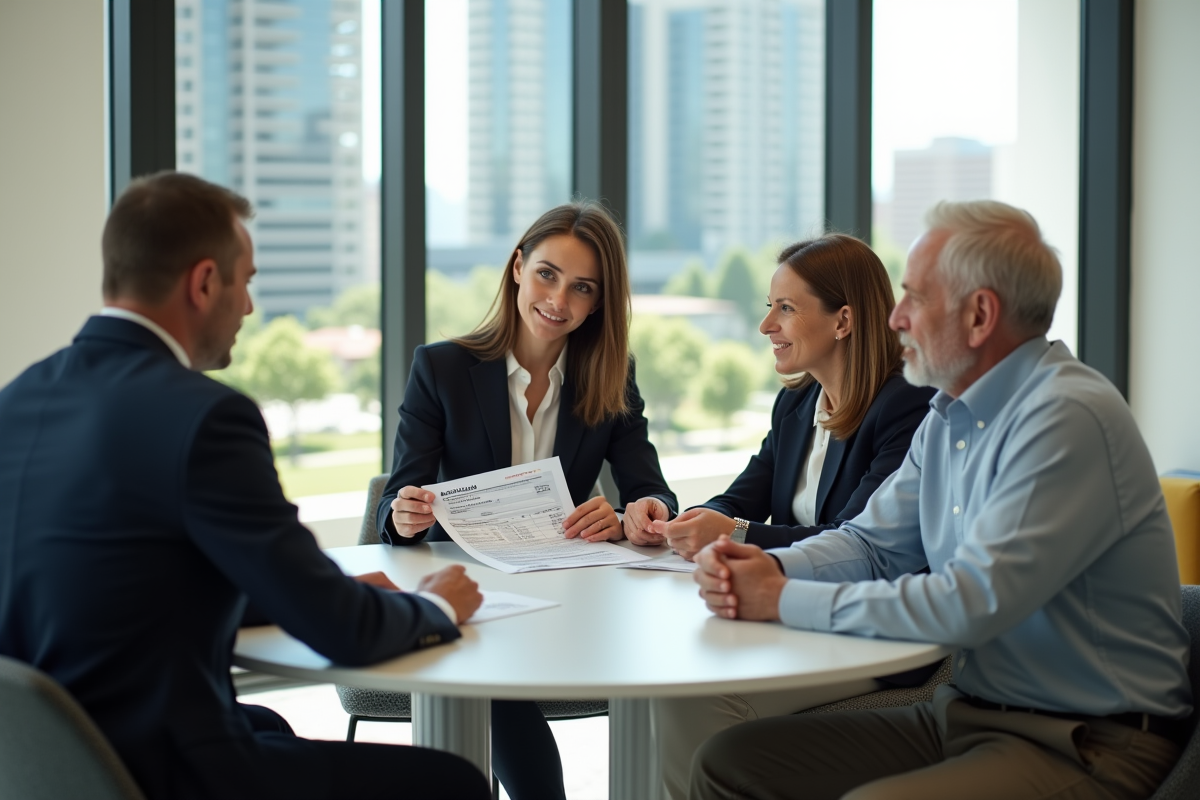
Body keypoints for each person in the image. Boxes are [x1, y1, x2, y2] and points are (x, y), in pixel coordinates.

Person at [0, 172, 491, 800]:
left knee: (269, 725)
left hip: (49, 761)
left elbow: (132, 577)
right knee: (451, 781)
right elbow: (343, 632)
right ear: (205, 282)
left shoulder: (19, 399)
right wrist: (438, 606)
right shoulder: (203, 417)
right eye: (247, 282)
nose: (250, 308)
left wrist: (321, 588)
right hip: (154, 773)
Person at [690, 200, 1193, 800]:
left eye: (915, 297)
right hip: (966, 714)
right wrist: (765, 566)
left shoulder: (1066, 417)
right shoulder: (947, 414)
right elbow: (871, 546)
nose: (896, 317)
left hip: (1089, 742)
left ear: (979, 316)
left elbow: (971, 602)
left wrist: (779, 596)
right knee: (730, 761)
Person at [377, 201, 678, 800]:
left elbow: (651, 490)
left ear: (599, 302)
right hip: (473, 591)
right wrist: (403, 516)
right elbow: (397, 500)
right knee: (484, 667)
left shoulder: (611, 375)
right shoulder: (441, 368)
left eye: (582, 288)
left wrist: (630, 516)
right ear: (517, 267)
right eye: (547, 274)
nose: (559, 301)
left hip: (569, 595)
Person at [630, 234, 935, 800]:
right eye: (770, 306)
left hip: (868, 632)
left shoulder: (906, 407)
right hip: (790, 615)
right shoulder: (797, 402)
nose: (766, 325)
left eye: (786, 308)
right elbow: (743, 496)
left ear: (843, 320)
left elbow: (856, 541)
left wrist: (735, 534)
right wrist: (686, 521)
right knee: (674, 673)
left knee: (689, 691)